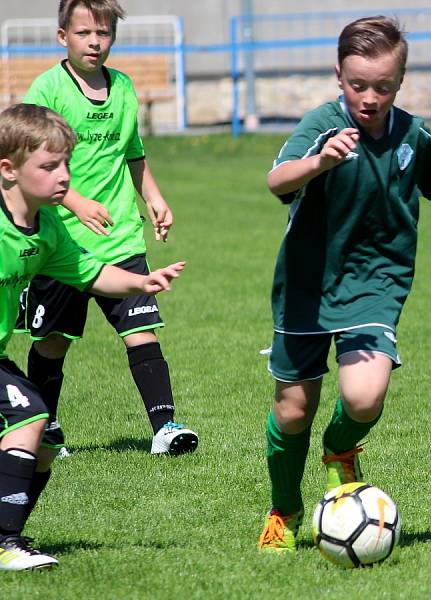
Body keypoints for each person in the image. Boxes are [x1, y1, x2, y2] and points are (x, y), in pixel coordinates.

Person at [257, 15, 431, 553]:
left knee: (363, 398)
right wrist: (319, 162)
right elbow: (277, 178)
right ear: (338, 76)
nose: (369, 97)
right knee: (293, 408)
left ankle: (340, 450)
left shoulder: (411, 135)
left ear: (401, 82)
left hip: (376, 281)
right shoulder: (322, 125)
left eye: (383, 86)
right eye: (357, 84)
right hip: (306, 284)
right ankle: (285, 509)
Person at [0, 103, 185, 570]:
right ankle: (5, 542)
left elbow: (89, 272)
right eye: (49, 166)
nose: (64, 176)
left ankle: (7, 535)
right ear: (9, 170)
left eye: (66, 164)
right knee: (30, 419)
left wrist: (141, 282)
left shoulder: (46, 229)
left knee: (39, 443)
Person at [16, 0, 198, 462]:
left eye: (103, 33)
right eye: (83, 33)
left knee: (143, 331)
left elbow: (131, 152)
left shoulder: (122, 87)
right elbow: (34, 161)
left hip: (120, 238)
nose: (94, 42)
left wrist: (153, 198)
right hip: (62, 241)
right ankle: (45, 427)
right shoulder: (48, 90)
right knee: (53, 342)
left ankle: (164, 426)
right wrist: (73, 200)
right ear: (63, 37)